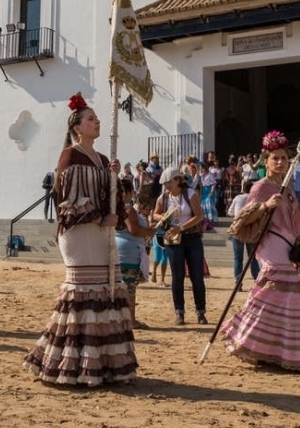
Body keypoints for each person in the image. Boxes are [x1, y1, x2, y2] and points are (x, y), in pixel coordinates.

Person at [24, 92, 137, 386]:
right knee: (83, 291)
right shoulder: (70, 155)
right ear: (77, 127)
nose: (97, 122)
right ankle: (72, 363)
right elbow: (69, 199)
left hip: (101, 231)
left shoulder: (101, 159)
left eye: (97, 119)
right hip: (80, 231)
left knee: (104, 290)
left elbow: (113, 200)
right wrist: (102, 216)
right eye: (91, 119)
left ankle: (103, 364)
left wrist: (113, 180)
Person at [221, 130, 300, 371]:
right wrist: (265, 205)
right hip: (270, 243)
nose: (280, 162)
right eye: (275, 158)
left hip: (288, 243)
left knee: (282, 296)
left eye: (284, 158)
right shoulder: (260, 187)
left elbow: (294, 218)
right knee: (276, 287)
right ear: (266, 162)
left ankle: (268, 346)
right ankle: (248, 336)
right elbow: (243, 219)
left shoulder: (289, 188)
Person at [154, 166, 208, 325]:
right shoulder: (163, 198)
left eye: (169, 182)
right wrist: (163, 217)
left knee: (196, 276)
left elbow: (199, 216)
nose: (166, 186)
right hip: (173, 239)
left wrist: (181, 227)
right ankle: (179, 312)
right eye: (164, 183)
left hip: (191, 237)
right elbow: (155, 213)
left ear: (177, 180)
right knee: (177, 276)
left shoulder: (190, 194)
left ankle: (201, 311)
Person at [115, 179, 152, 329]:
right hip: (129, 252)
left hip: (119, 250)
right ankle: (130, 319)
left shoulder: (114, 208)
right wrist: (149, 232)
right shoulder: (128, 209)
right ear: (130, 192)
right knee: (129, 287)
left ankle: (123, 318)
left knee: (123, 287)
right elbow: (134, 230)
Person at [227, 182, 259, 281]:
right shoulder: (256, 199)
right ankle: (256, 278)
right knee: (252, 257)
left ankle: (238, 281)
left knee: (238, 258)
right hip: (251, 229)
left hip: (238, 229)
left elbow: (230, 212)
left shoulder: (237, 198)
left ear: (243, 189)